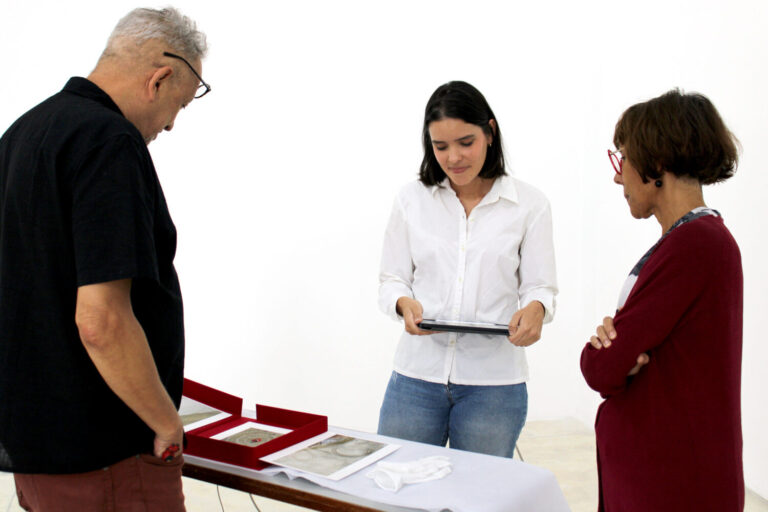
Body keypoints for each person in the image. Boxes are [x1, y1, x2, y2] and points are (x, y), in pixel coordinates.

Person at [0, 7, 209, 511]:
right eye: (179, 104)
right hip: (105, 457)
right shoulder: (110, 142)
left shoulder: (22, 133)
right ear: (159, 79)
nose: (172, 124)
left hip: (35, 450)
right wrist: (164, 422)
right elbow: (100, 319)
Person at [580, 89, 743, 511]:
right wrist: (619, 352)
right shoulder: (694, 240)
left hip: (672, 485)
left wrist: (609, 353)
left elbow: (602, 365)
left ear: (655, 164)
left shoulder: (695, 244)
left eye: (624, 159)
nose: (618, 176)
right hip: (664, 476)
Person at [377, 81, 557, 457]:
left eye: (465, 142)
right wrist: (402, 304)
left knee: (478, 497)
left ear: (490, 133)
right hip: (416, 377)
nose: (454, 157)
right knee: (395, 487)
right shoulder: (411, 200)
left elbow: (540, 286)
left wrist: (536, 310)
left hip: (494, 386)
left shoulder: (530, 205)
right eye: (440, 146)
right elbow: (392, 278)